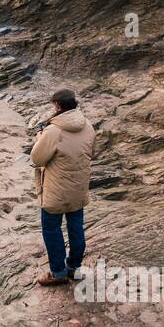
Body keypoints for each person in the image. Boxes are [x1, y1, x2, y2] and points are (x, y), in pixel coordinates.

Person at [30, 88, 96, 286]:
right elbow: (90, 152)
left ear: (58, 106)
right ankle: (74, 268)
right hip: (79, 187)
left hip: (56, 190)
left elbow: (37, 159)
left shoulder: (53, 131)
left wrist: (40, 140)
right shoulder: (88, 126)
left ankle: (58, 272)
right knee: (76, 227)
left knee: (51, 229)